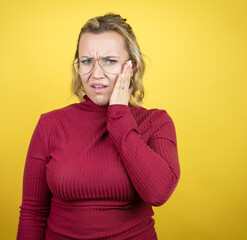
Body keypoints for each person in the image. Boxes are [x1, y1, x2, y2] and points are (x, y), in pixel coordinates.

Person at [17, 13, 181, 240]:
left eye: (109, 61)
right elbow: (33, 213)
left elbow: (159, 192)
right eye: (86, 61)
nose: (95, 74)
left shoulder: (155, 123)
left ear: (130, 67)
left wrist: (119, 116)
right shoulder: (50, 125)